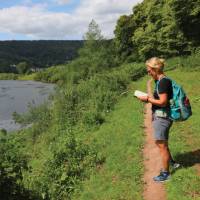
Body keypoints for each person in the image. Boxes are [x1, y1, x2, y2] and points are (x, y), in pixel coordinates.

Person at [137, 57, 180, 182]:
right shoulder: (161, 81)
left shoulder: (162, 82)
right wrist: (149, 94)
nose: (148, 72)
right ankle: (171, 162)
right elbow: (158, 98)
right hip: (163, 116)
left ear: (155, 69)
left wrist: (147, 99)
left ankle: (166, 174)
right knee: (163, 143)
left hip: (162, 118)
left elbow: (162, 102)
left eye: (149, 70)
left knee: (161, 145)